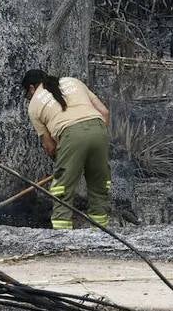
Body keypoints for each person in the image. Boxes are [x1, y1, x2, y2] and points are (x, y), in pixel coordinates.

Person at [22, 68, 112, 230]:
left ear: (31, 88)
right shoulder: (74, 81)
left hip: (70, 136)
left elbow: (49, 146)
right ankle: (100, 232)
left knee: (61, 189)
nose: (29, 97)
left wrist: (65, 162)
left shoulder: (34, 104)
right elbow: (104, 112)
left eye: (28, 94)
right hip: (99, 129)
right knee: (99, 186)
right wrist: (93, 137)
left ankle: (63, 236)